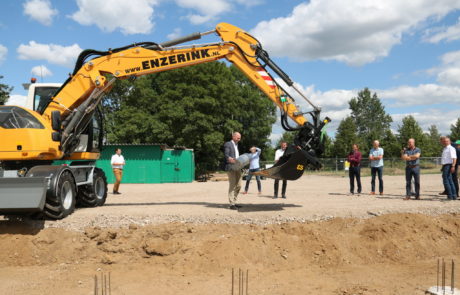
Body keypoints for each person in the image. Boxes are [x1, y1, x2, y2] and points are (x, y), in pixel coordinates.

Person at [224, 132, 242, 210]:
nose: (239, 139)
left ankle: (234, 202)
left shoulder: (236, 145)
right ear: (233, 136)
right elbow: (226, 154)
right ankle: (231, 204)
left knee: (239, 185)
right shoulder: (228, 144)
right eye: (238, 137)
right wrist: (229, 158)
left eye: (240, 138)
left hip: (237, 166)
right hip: (231, 167)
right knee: (232, 185)